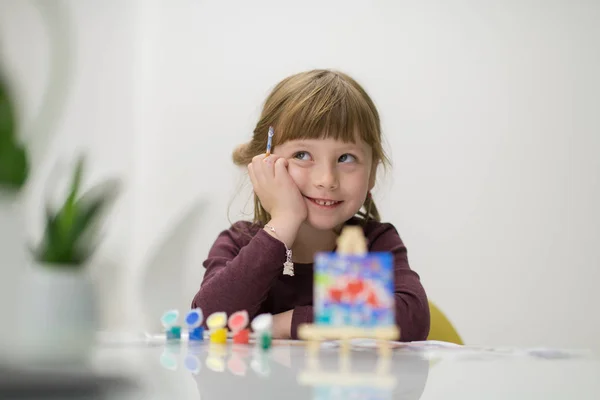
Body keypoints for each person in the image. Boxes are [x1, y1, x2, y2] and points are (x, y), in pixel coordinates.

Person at [191, 69, 430, 340]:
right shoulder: (238, 242)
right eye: (302, 155)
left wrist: (285, 324)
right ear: (265, 163)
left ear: (372, 172)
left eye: (346, 158)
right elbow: (209, 323)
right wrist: (283, 221)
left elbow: (412, 319)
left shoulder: (370, 244)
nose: (327, 179)